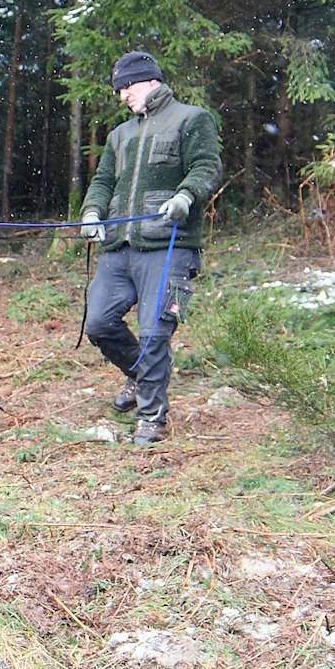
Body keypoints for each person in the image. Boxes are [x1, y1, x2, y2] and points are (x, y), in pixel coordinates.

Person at [78, 51, 221, 445]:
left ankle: (151, 418)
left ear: (150, 80)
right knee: (99, 323)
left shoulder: (192, 119)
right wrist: (92, 212)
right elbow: (104, 181)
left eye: (128, 86)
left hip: (169, 244)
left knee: (155, 331)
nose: (123, 95)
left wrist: (186, 197)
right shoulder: (119, 135)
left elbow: (207, 168)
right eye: (118, 89)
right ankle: (140, 374)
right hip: (120, 245)